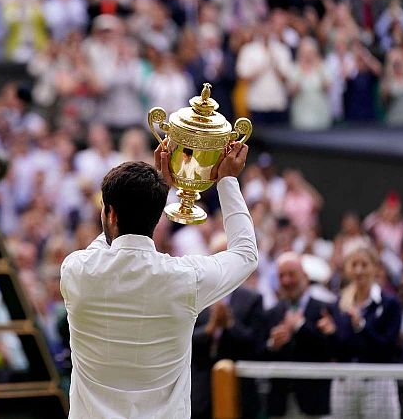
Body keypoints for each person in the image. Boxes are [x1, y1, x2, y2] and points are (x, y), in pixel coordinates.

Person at [60, 141, 257, 418]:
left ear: (111, 213)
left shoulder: (75, 270)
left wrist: (156, 190)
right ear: (156, 216)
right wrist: (226, 180)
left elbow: (108, 239)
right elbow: (246, 254)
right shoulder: (186, 278)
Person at [264, 251, 339, 418]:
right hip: (280, 404)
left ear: (305, 276)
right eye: (281, 276)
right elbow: (258, 351)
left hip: (314, 402)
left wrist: (300, 326)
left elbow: (334, 350)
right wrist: (272, 344)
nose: (286, 281)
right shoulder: (272, 313)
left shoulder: (325, 309)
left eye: (291, 274)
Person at [332, 243, 402, 419]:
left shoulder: (390, 303)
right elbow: (339, 349)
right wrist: (330, 333)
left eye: (364, 265)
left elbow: (389, 347)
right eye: (354, 265)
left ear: (375, 268)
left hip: (378, 383)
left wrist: (361, 325)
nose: (359, 270)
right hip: (345, 385)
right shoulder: (339, 303)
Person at [191, 286, 265, 419]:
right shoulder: (195, 296)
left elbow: (257, 345)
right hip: (200, 394)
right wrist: (209, 329)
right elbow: (184, 342)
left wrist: (230, 324)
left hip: (240, 393)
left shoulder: (252, 299)